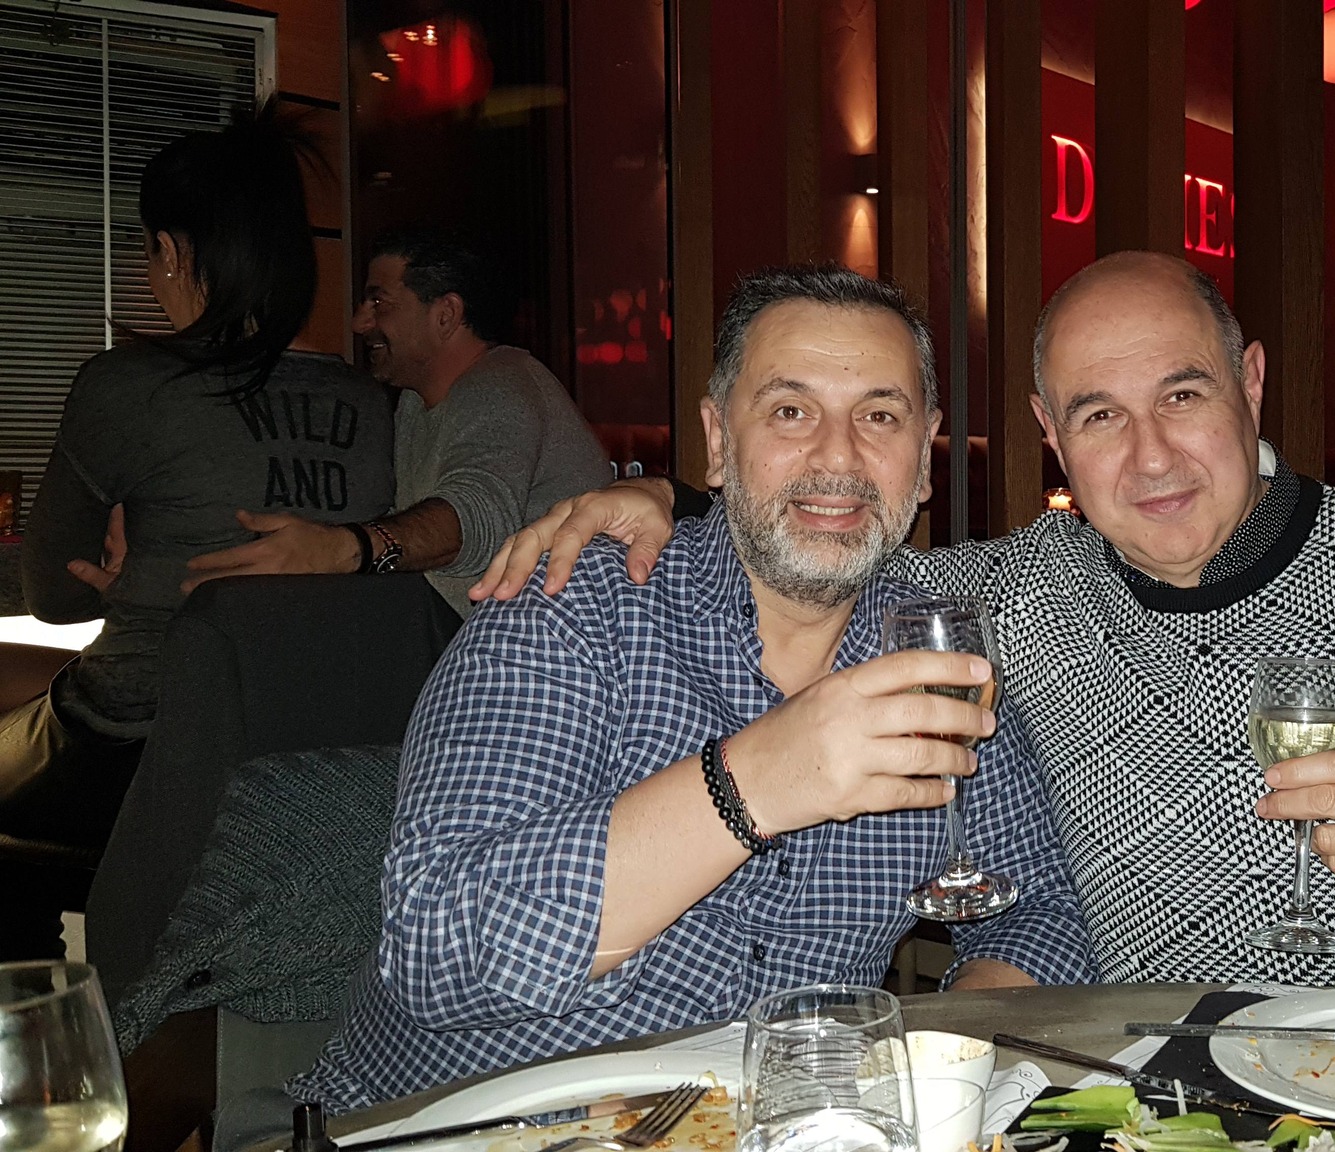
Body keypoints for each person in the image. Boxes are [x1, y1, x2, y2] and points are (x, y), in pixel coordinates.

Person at [479, 251, 1335, 1006]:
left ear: (1250, 385)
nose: (1151, 456)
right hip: (1174, 1095)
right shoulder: (1015, 595)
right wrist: (667, 496)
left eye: (1182, 394)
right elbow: (825, 525)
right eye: (1099, 415)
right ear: (1048, 435)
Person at [286, 264, 1093, 1114]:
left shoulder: (932, 655)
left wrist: (935, 1062)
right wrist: (748, 786)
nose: (838, 456)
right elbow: (435, 955)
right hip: (468, 1121)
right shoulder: (572, 607)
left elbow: (1041, 905)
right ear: (716, 439)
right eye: (790, 411)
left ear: (923, 459)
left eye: (879, 416)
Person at [1, 108, 395, 960]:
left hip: (140, 742)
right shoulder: (370, 405)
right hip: (307, 744)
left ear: (174, 252)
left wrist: (125, 568)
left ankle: (49, 1022)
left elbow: (54, 596)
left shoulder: (124, 385)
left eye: (150, 252)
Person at [181, 229, 612, 617]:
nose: (359, 322)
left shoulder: (502, 385)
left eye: (379, 303)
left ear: (445, 314)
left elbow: (477, 517)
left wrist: (342, 549)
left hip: (560, 648)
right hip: (478, 631)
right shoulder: (412, 402)